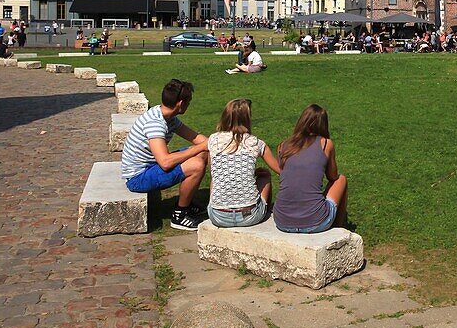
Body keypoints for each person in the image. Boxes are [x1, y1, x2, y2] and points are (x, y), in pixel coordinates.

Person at [120, 79, 211, 231]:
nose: (189, 105)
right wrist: (201, 146)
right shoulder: (155, 123)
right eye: (189, 102)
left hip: (151, 167)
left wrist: (221, 142)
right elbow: (165, 162)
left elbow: (196, 138)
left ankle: (186, 202)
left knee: (202, 153)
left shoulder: (167, 116)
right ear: (181, 103)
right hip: (138, 177)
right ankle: (179, 215)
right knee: (196, 165)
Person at [267, 104, 347, 234]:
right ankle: (338, 228)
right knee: (341, 179)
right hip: (316, 223)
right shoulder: (326, 144)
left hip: (282, 221)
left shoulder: (283, 146)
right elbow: (333, 177)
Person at [205, 99, 273, 228]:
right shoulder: (256, 143)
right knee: (265, 176)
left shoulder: (213, 140)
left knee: (216, 179)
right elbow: (280, 170)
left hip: (218, 216)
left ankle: (218, 205)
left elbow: (213, 171)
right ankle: (267, 210)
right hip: (250, 216)